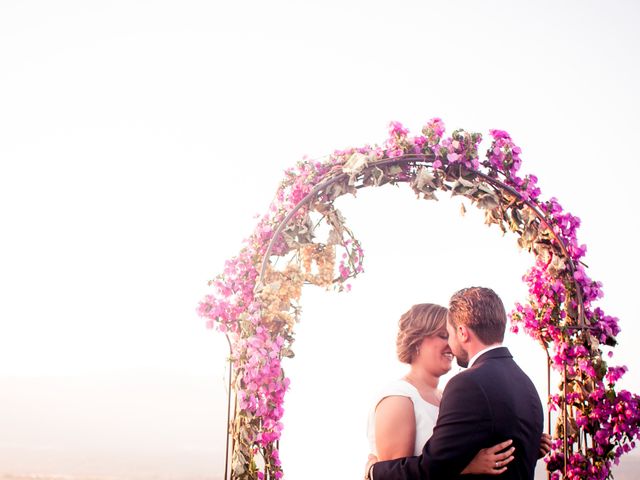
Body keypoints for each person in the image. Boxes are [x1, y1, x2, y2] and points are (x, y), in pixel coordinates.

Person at [366, 287, 544, 480]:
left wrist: (526, 445)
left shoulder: (454, 395)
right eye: (443, 335)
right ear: (417, 341)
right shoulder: (398, 398)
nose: (451, 343)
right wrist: (466, 467)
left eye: (448, 335)